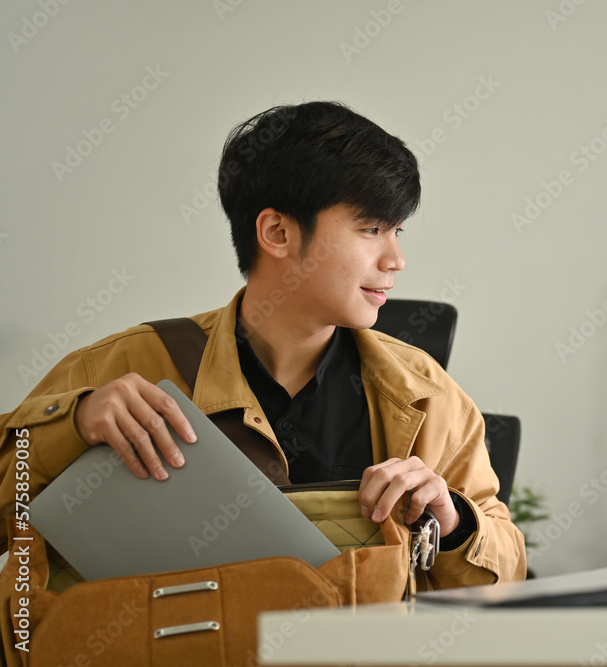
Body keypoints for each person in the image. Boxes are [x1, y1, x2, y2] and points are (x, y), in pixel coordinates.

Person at [0, 102, 527, 596]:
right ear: (276, 232)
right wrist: (70, 426)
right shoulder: (114, 368)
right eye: (371, 229)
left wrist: (454, 521)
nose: (396, 258)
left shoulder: (427, 396)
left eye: (398, 231)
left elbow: (507, 579)